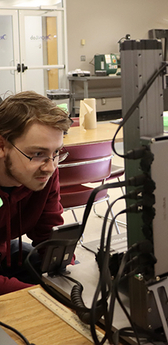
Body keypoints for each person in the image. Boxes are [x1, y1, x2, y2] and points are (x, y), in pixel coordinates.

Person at [0, 91, 71, 294]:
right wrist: (42, 297)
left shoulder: (44, 173)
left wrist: (69, 282)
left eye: (56, 152)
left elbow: (49, 235)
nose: (50, 167)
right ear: (2, 145)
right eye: (38, 154)